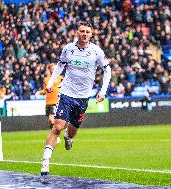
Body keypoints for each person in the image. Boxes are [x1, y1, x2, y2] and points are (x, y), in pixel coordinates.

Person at [40, 21, 111, 176]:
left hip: (83, 98)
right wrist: (51, 82)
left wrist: (103, 91)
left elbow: (107, 70)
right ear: (77, 32)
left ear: (91, 34)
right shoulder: (68, 49)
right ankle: (45, 162)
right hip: (66, 94)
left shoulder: (96, 52)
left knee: (71, 132)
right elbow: (60, 66)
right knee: (57, 126)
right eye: (82, 31)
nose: (84, 34)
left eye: (87, 31)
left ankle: (68, 137)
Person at [35, 63, 63, 143]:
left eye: (55, 68)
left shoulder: (60, 78)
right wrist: (39, 92)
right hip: (48, 102)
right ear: (49, 70)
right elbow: (45, 90)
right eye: (52, 68)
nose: (54, 70)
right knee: (50, 120)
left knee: (52, 120)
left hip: (57, 102)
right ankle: (55, 134)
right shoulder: (46, 79)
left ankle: (55, 136)